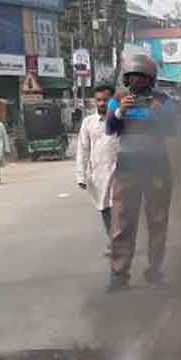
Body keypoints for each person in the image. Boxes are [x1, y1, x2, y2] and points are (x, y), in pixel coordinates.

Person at [105, 52, 177, 292]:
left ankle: (155, 270)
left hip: (157, 168)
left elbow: (173, 129)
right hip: (127, 168)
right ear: (126, 79)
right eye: (131, 77)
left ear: (151, 79)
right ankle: (119, 273)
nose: (136, 81)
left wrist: (160, 114)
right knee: (123, 222)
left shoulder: (163, 101)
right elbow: (110, 128)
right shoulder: (118, 99)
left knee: (157, 221)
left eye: (141, 77)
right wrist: (119, 113)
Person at [76, 85, 119, 254]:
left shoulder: (120, 120)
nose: (101, 103)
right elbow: (83, 149)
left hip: (118, 172)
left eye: (105, 100)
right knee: (104, 209)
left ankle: (119, 242)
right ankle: (113, 240)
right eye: (99, 100)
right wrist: (81, 175)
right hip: (98, 175)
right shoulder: (88, 122)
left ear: (112, 101)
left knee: (119, 209)